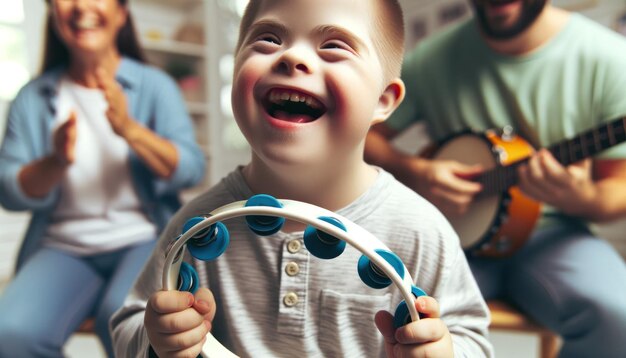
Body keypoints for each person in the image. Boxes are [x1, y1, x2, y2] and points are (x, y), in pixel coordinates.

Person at [110, 0, 494, 357]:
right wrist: (158, 338)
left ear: (384, 101)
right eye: (268, 38)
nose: (292, 56)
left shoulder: (419, 229)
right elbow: (131, 321)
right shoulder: (200, 222)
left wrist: (444, 350)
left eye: (334, 46)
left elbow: (471, 337)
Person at [365, 1, 626, 357]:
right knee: (381, 306)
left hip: (553, 235)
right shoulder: (434, 58)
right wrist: (417, 172)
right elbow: (366, 134)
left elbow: (618, 188)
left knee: (617, 315)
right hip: (451, 237)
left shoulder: (610, 59)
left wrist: (580, 197)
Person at [0, 0, 206, 356]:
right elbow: (9, 191)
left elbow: (190, 168)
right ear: (53, 12)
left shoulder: (155, 86)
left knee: (129, 320)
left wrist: (129, 130)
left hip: (143, 239)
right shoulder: (32, 98)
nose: (82, 7)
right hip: (63, 247)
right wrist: (55, 160)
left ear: (121, 13)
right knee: (11, 333)